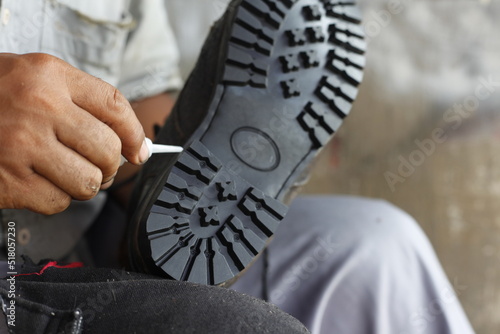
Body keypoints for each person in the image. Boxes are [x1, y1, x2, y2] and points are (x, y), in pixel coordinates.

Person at [0, 0, 475, 333]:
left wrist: (164, 152)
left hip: (88, 233)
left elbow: (137, 91)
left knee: (380, 249)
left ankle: (157, 230)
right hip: (12, 285)